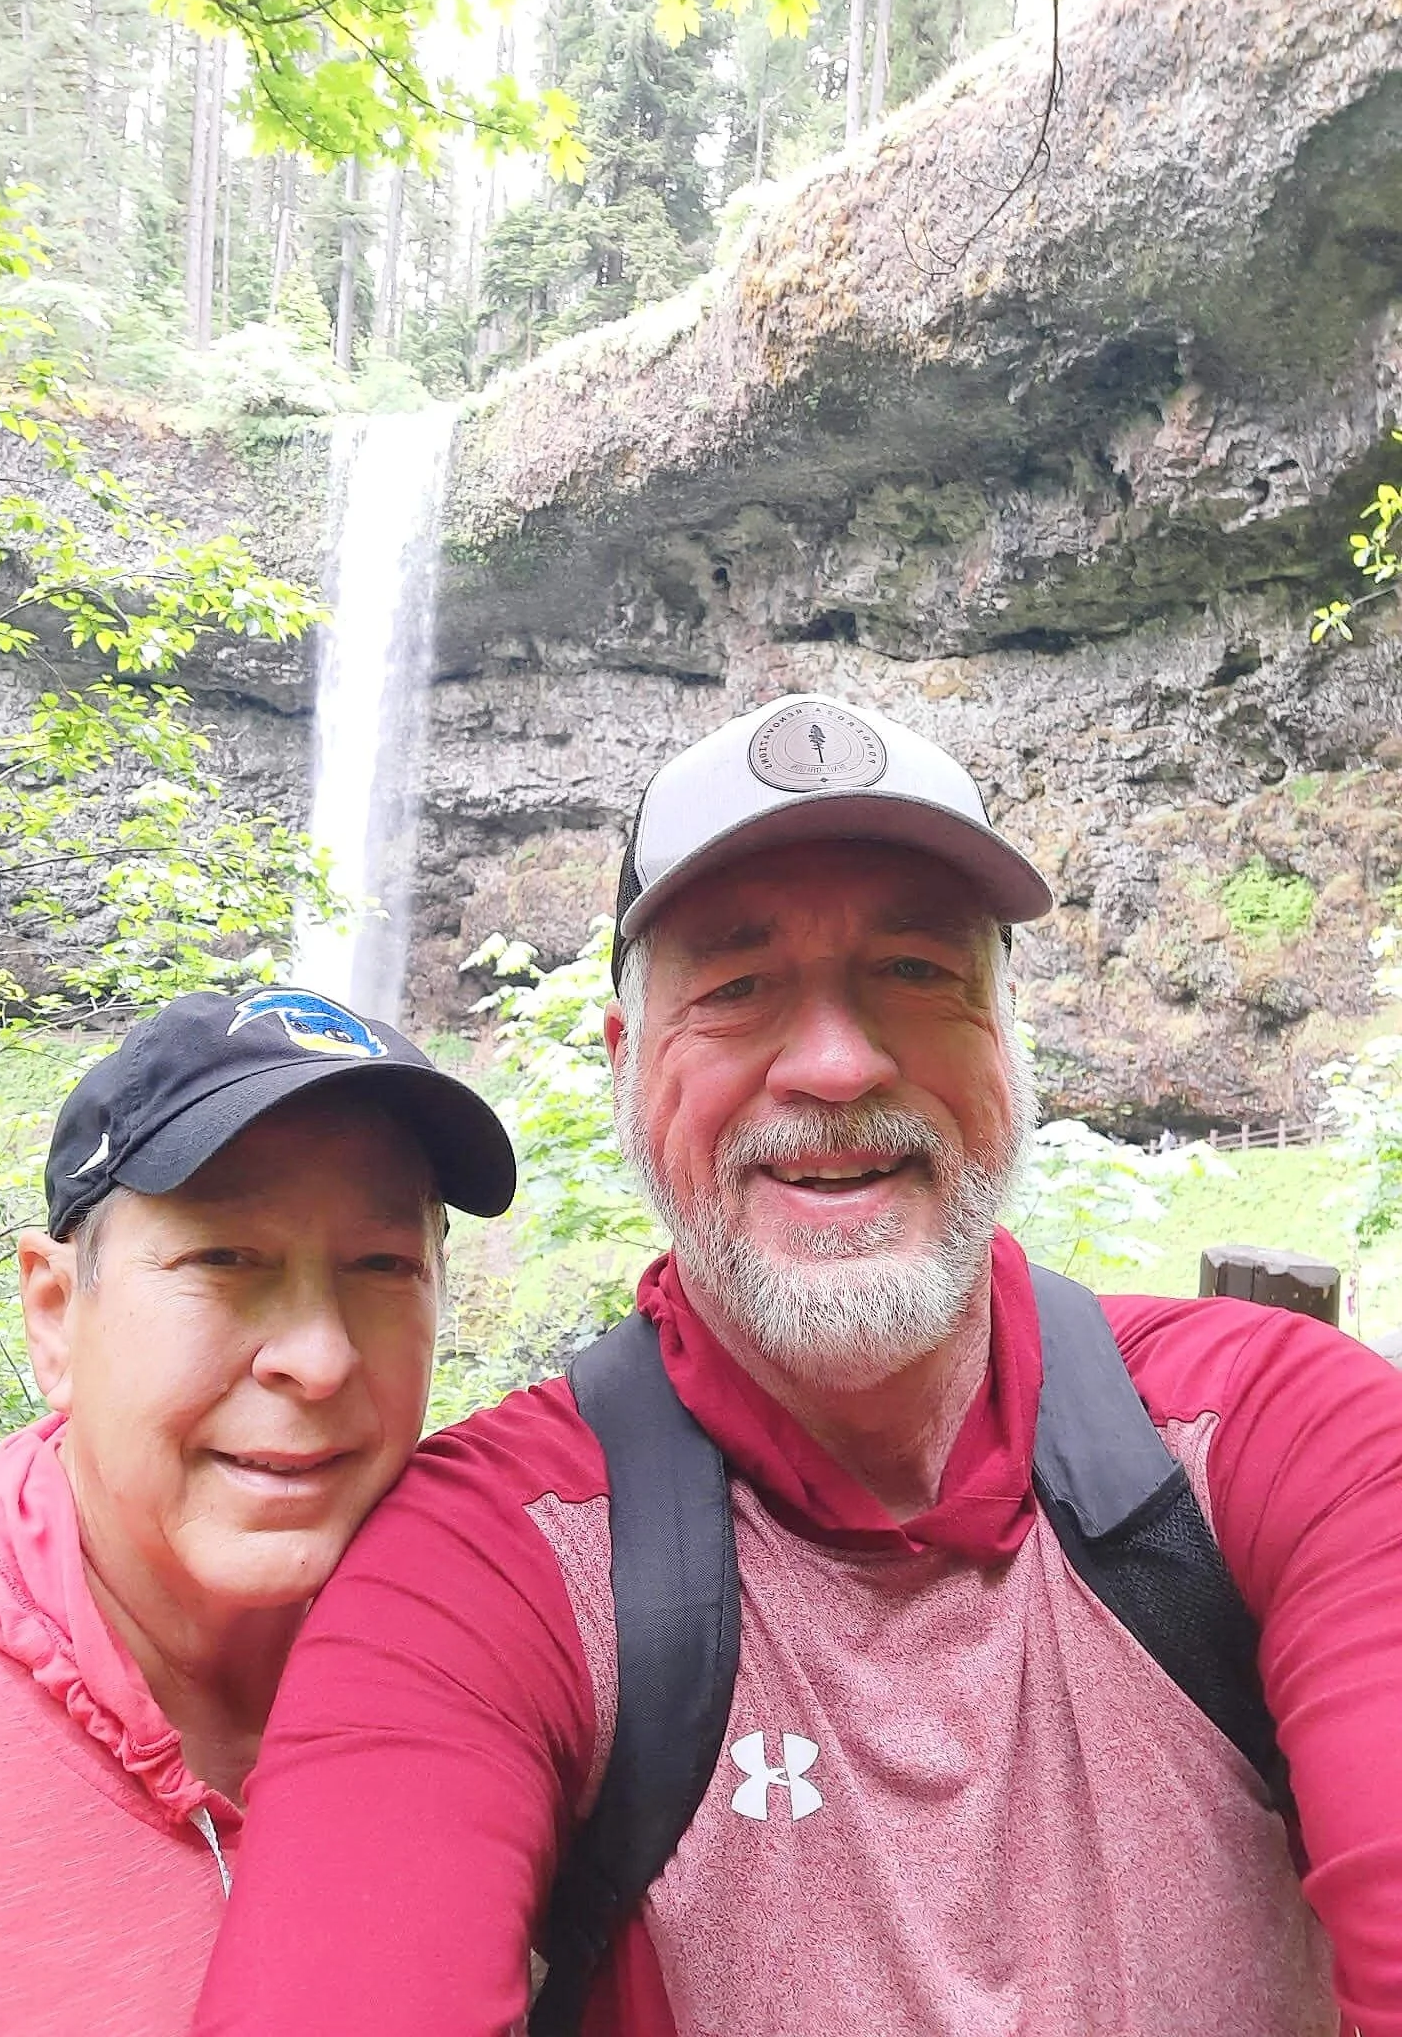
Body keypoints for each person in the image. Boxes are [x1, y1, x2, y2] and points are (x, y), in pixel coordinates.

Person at [193, 697, 1402, 2037]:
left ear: (1010, 1040)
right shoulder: (487, 1565)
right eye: (736, 987)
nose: (835, 1063)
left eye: (917, 971)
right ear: (626, 1065)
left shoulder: (1286, 1436)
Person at [0, 985, 514, 2037]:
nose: (319, 1357)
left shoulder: (521, 1697)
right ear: (55, 1313)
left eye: (382, 1265)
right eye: (225, 1258)